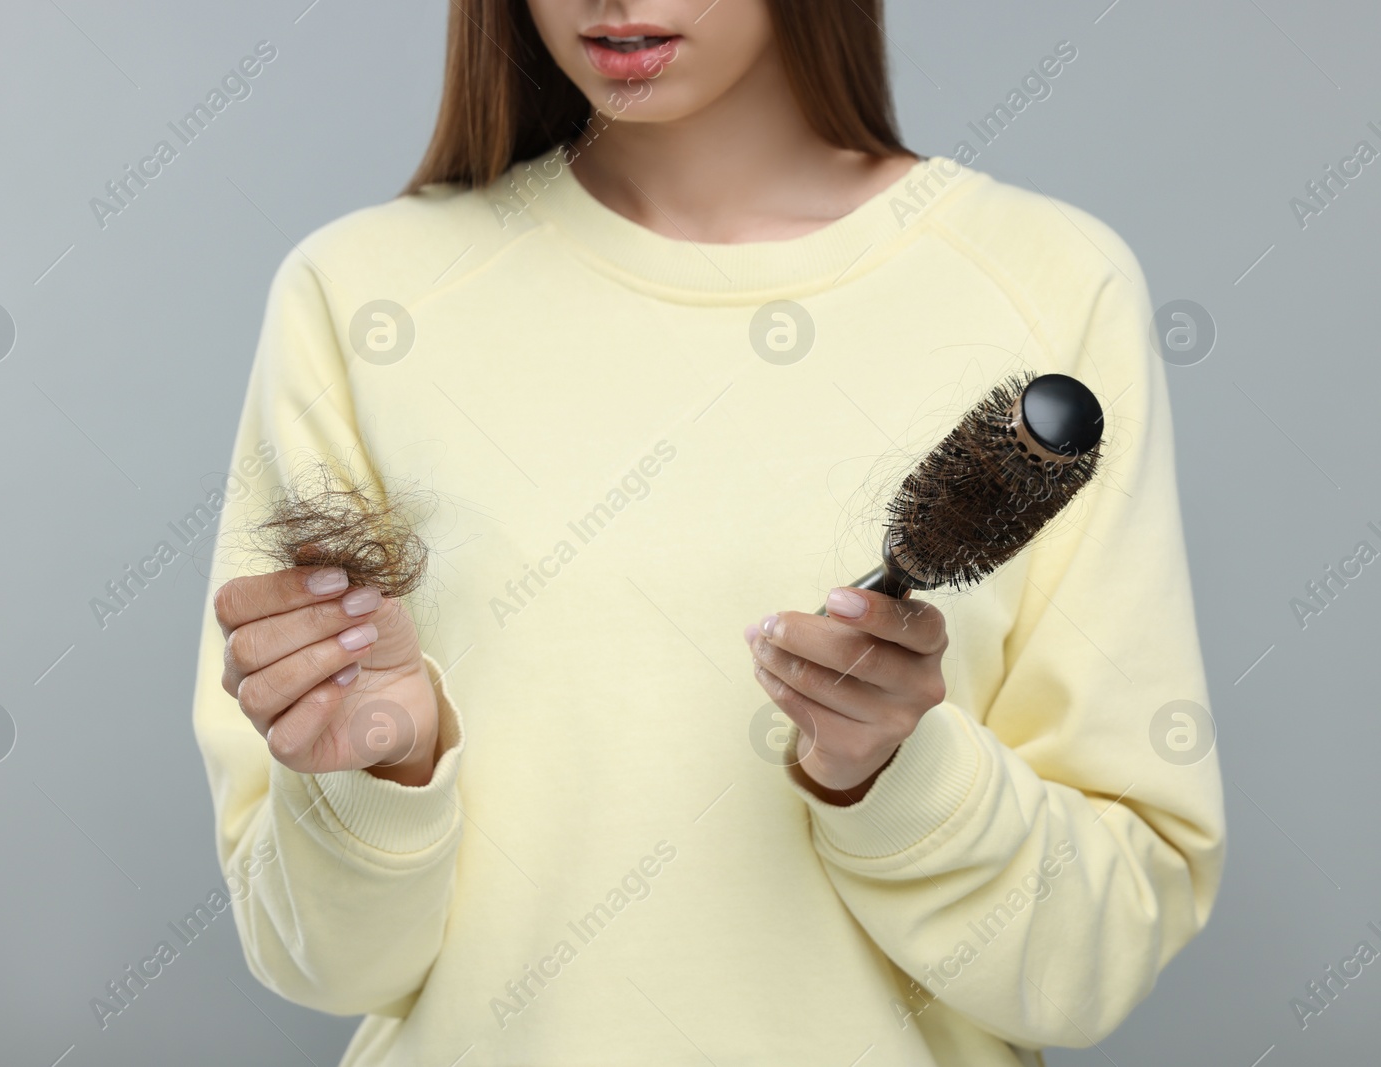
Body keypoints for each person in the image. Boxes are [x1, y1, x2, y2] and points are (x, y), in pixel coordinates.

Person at [191, 1, 1226, 1063]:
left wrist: (891, 776)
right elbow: (320, 965)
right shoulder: (362, 297)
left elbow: (1095, 958)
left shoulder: (1049, 282)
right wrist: (383, 773)